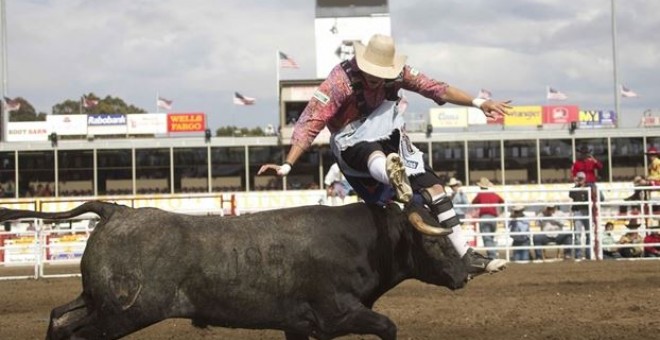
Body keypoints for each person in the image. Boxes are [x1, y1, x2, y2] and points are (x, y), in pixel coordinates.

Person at [258, 34, 511, 276]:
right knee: (372, 151)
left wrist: (478, 103)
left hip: (390, 135)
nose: (377, 78)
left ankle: (466, 256)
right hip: (351, 141)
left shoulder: (401, 73)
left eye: (382, 74)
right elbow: (311, 120)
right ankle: (392, 175)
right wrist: (287, 165)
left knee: (435, 189)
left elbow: (437, 89)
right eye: (373, 72)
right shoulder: (339, 81)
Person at [471, 177, 505, 259]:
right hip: (493, 218)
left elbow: (473, 202)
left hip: (484, 217)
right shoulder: (494, 194)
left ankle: (492, 256)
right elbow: (503, 201)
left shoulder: (480, 194)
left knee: (487, 237)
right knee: (491, 236)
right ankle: (494, 253)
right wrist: (501, 212)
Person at [568, 172, 591, 260]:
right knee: (578, 234)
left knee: (588, 234)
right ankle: (578, 254)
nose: (580, 180)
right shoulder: (575, 189)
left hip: (586, 211)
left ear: (585, 179)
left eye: (581, 178)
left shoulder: (589, 187)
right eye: (579, 178)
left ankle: (588, 254)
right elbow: (572, 195)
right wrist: (577, 185)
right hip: (578, 211)